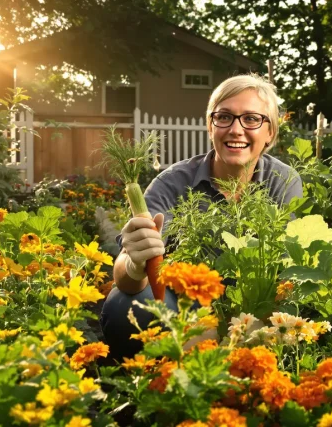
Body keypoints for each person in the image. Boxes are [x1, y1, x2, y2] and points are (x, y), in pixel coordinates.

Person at [100, 73, 303, 361]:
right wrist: (134, 264)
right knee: (127, 304)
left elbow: (288, 270)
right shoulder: (171, 183)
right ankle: (155, 377)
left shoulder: (283, 181)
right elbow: (125, 275)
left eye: (251, 119)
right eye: (224, 117)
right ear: (210, 126)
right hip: (184, 308)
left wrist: (245, 327)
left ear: (270, 132)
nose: (236, 129)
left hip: (256, 306)